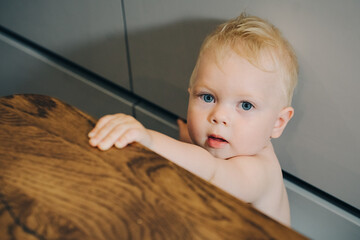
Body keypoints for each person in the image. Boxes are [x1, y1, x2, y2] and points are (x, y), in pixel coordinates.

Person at [88, 13, 298, 226]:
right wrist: (188, 140)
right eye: (208, 97)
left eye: (245, 105)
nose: (218, 116)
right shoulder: (224, 144)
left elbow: (214, 172)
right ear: (190, 93)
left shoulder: (259, 172)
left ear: (277, 123)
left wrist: (149, 140)